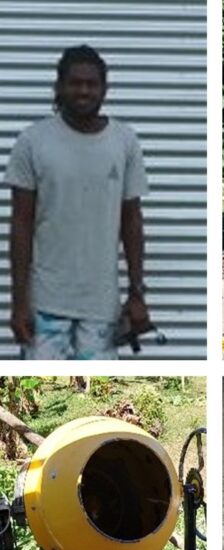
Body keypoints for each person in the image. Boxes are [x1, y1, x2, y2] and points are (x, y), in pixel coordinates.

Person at [3, 45, 149, 360]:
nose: (83, 90)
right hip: (45, 306)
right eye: (75, 82)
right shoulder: (32, 142)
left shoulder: (123, 142)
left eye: (92, 83)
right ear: (59, 87)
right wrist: (18, 303)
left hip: (101, 308)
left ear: (104, 89)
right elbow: (21, 225)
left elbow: (132, 222)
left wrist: (137, 294)